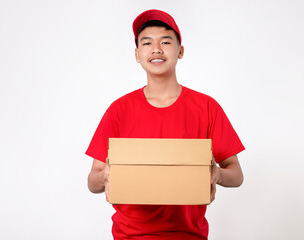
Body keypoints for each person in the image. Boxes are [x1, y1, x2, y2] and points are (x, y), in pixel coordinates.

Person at [86, 9, 245, 240]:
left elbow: (237, 175)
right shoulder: (119, 110)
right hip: (130, 236)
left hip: (188, 235)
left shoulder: (207, 107)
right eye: (147, 42)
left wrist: (216, 175)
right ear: (137, 54)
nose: (156, 49)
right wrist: (105, 177)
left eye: (166, 41)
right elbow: (92, 181)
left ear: (180, 51)